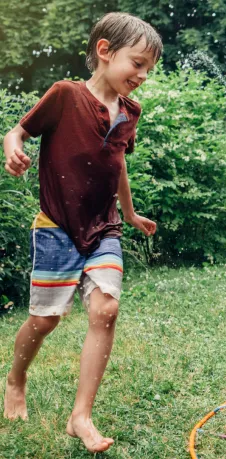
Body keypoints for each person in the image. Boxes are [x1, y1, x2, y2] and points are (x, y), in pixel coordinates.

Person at [2, 12, 162, 453]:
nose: (143, 75)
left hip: (104, 226)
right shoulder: (65, 95)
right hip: (56, 227)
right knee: (45, 319)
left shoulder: (130, 111)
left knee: (105, 309)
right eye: (137, 63)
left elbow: (118, 162)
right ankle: (16, 377)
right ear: (105, 51)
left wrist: (128, 214)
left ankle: (81, 416)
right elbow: (16, 132)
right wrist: (13, 149)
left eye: (150, 68)